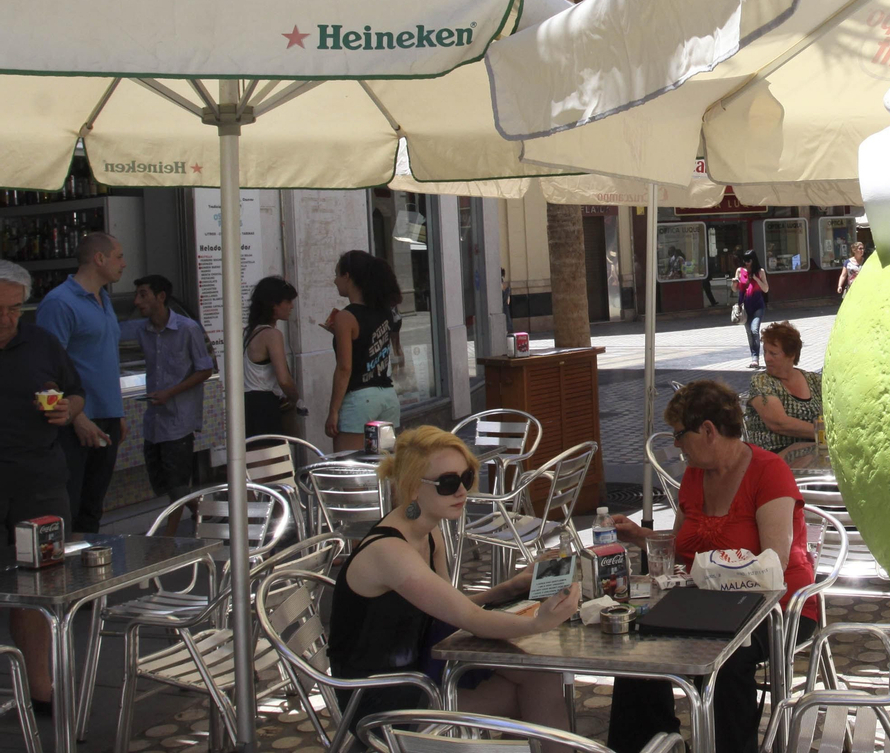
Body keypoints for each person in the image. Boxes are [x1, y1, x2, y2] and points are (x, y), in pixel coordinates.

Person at [328, 426, 581, 732]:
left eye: (466, 478)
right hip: (380, 699)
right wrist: (538, 623)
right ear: (411, 487)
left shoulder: (429, 531)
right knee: (536, 691)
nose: (462, 491)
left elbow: (446, 608)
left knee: (541, 678)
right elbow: (468, 618)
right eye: (447, 483)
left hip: (418, 675)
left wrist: (508, 587)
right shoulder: (390, 552)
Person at [609, 381, 817, 753]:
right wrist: (639, 536)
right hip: (704, 605)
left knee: (727, 662)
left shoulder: (769, 472)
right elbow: (679, 551)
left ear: (707, 430)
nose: (676, 446)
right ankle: (653, 745)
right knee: (636, 646)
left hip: (777, 608)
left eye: (679, 435)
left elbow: (775, 563)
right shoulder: (694, 475)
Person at [0, 260, 84, 717]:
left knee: (38, 587)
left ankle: (39, 686)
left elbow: (75, 392)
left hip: (39, 481)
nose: (7, 319)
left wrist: (66, 411)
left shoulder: (40, 341)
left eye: (14, 309)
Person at [36, 231, 125, 534]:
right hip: (76, 420)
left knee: (93, 506)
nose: (124, 264)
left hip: (107, 416)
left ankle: (88, 574)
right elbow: (47, 368)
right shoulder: (59, 303)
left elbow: (106, 359)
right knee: (68, 507)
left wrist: (118, 413)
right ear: (99, 258)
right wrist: (78, 418)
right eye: (119, 256)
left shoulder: (105, 300)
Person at [123, 275, 215, 535]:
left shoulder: (187, 329)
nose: (137, 301)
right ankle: (206, 517)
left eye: (143, 294)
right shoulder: (142, 331)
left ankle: (168, 538)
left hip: (179, 419)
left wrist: (170, 393)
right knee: (165, 483)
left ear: (160, 296)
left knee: (177, 483)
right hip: (154, 419)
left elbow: (204, 369)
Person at [322, 250, 404, 451]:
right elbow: (370, 344)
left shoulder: (346, 317)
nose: (334, 281)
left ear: (347, 276)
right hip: (387, 397)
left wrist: (333, 411)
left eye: (337, 275)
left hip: (359, 400)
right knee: (384, 469)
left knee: (351, 472)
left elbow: (345, 368)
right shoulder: (384, 311)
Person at [744, 321, 822, 453]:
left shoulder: (814, 380)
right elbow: (780, 423)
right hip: (773, 457)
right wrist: (824, 434)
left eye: (773, 353)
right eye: (765, 352)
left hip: (814, 453)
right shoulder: (762, 381)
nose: (767, 358)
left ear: (791, 355)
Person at [245, 276, 301, 442]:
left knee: (256, 458)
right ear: (273, 304)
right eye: (287, 301)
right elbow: (283, 379)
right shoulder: (271, 334)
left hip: (249, 403)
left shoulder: (250, 331)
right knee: (271, 460)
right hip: (265, 404)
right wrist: (296, 398)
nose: (291, 306)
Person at [732, 250, 768, 369]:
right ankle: (754, 357)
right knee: (749, 332)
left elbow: (766, 289)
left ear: (753, 260)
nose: (746, 263)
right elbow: (734, 290)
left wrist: (756, 279)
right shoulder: (739, 271)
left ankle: (755, 358)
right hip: (745, 307)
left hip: (758, 306)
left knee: (754, 330)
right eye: (744, 260)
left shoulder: (760, 272)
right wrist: (734, 283)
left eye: (748, 260)